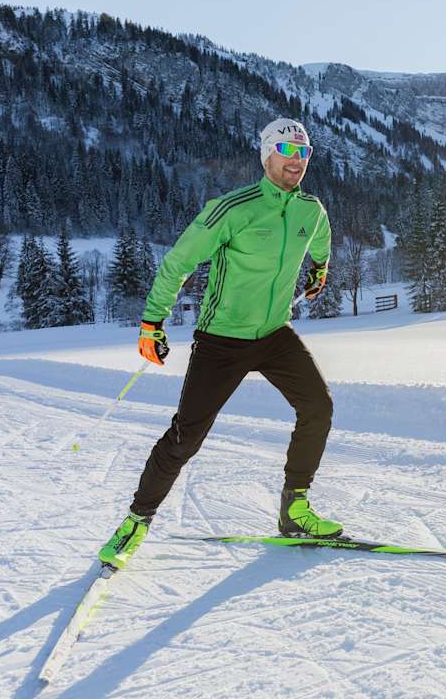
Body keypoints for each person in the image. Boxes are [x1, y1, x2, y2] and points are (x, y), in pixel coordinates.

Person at [98, 118, 340, 569]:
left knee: (318, 407)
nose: (295, 161)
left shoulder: (311, 210)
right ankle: (136, 520)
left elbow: (322, 241)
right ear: (266, 154)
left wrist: (319, 270)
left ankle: (295, 509)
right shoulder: (233, 208)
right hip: (221, 340)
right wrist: (152, 321)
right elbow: (178, 262)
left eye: (304, 153)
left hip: (274, 334)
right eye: (287, 151)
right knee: (186, 436)